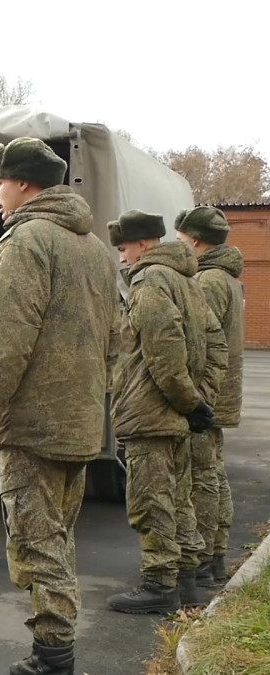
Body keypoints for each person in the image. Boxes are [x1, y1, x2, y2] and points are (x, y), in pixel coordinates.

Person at [0, 137, 119, 675]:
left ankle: (54, 656)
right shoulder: (96, 249)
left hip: (31, 426)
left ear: (24, 183)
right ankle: (54, 650)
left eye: (0, 184)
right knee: (56, 537)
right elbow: (114, 339)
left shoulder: (27, 242)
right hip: (78, 423)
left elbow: (4, 340)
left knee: (37, 543)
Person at [105, 211, 227, 615]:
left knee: (151, 501)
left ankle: (159, 585)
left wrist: (190, 401)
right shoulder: (187, 280)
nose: (122, 258)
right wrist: (199, 399)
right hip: (175, 414)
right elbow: (215, 343)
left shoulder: (150, 280)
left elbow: (163, 350)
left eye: (123, 248)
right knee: (179, 500)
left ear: (141, 244)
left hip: (151, 414)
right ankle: (187, 582)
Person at [174, 206, 244, 589]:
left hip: (206, 398)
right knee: (213, 474)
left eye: (182, 239)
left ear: (196, 240)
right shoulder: (227, 278)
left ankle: (202, 560)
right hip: (219, 395)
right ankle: (214, 557)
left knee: (201, 478)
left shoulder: (209, 280)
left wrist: (190, 397)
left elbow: (201, 344)